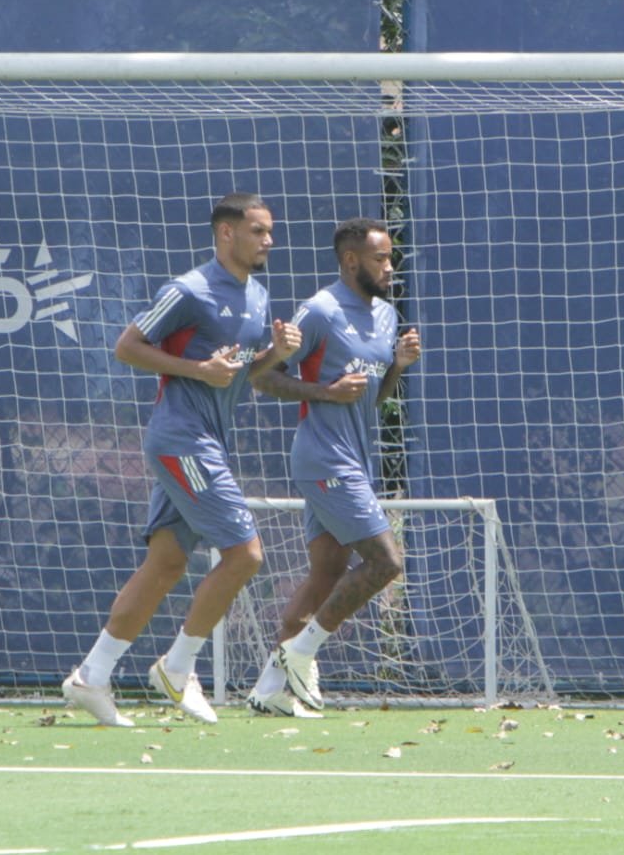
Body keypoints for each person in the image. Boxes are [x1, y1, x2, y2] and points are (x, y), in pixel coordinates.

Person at [62, 192, 300, 726]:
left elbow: (243, 376)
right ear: (226, 234)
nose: (269, 241)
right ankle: (178, 666)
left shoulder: (258, 296)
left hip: (206, 439)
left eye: (270, 231)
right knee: (245, 555)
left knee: (167, 562)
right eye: (259, 231)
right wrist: (196, 371)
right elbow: (127, 347)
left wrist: (276, 356)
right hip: (181, 438)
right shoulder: (188, 290)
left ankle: (92, 677)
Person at [246, 217, 421, 717]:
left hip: (355, 458)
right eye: (380, 258)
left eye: (391, 257)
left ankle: (267, 691)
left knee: (327, 571)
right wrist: (324, 391)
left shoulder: (387, 316)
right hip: (323, 457)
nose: (390, 267)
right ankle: (299, 653)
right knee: (387, 562)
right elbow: (265, 379)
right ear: (350, 261)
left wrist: (397, 368)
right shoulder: (321, 311)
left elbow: (369, 398)